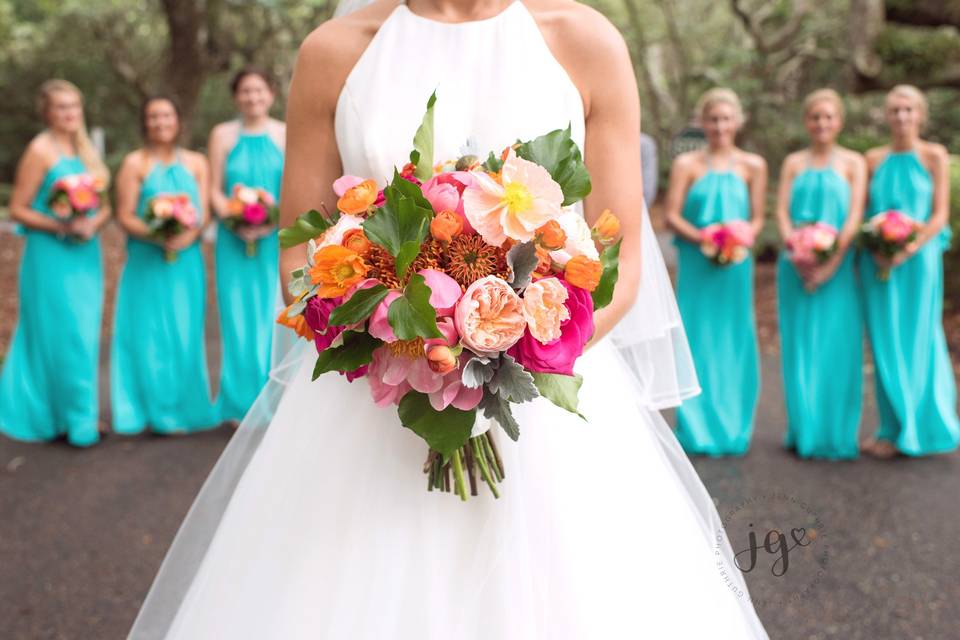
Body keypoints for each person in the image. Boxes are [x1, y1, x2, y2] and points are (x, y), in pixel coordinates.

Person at [129, 2, 768, 638]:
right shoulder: (334, 50)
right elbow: (299, 249)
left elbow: (619, 255)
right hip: (375, 397)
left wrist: (503, 352)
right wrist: (397, 337)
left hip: (545, 405)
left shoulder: (585, 40)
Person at [0, 79, 110, 447]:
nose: (70, 114)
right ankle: (77, 420)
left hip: (85, 255)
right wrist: (61, 225)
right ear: (47, 112)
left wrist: (94, 221)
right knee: (66, 333)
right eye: (62, 108)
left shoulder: (83, 150)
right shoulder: (40, 150)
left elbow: (102, 203)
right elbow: (17, 209)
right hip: (51, 256)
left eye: (75, 106)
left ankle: (75, 411)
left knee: (83, 332)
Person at [860, 85, 960, 458]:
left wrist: (908, 248)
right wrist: (879, 245)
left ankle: (924, 426)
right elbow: (864, 210)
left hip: (919, 261)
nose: (902, 117)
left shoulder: (934, 154)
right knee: (885, 339)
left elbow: (939, 215)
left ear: (920, 114)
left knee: (920, 337)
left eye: (908, 110)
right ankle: (891, 428)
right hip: (878, 260)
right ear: (886, 116)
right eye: (895, 110)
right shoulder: (872, 159)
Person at [665, 88, 766, 456]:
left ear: (737, 122)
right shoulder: (686, 165)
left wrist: (741, 237)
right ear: (702, 123)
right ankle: (696, 427)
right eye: (713, 119)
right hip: (698, 263)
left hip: (736, 266)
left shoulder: (753, 165)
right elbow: (672, 216)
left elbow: (756, 217)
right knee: (698, 339)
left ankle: (735, 424)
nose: (720, 126)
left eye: (726, 119)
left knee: (734, 339)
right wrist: (706, 237)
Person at [111, 96, 217, 435]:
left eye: (166, 115)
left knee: (184, 331)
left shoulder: (197, 163)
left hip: (186, 262)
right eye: (153, 117)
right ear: (145, 123)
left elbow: (202, 213)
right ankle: (153, 409)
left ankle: (185, 405)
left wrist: (188, 237)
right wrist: (156, 234)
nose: (160, 122)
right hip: (147, 260)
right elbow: (125, 215)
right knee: (149, 333)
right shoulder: (134, 164)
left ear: (177, 120)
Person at [775, 89, 867, 459]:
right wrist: (796, 251)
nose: (822, 123)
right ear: (806, 122)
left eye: (828, 116)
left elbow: (854, 216)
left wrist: (830, 263)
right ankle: (804, 431)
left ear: (839, 121)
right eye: (815, 117)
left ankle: (836, 433)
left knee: (837, 346)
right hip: (794, 266)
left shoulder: (854, 163)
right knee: (799, 346)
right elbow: (781, 212)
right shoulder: (793, 162)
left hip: (839, 268)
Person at [208, 68, 286, 423]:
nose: (252, 97)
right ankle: (240, 402)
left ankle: (274, 401)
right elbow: (213, 187)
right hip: (232, 241)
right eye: (245, 91)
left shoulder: (285, 133)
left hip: (274, 239)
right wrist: (234, 218)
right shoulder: (221, 135)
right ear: (236, 96)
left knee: (272, 317)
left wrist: (272, 219)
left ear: (270, 94)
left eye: (259, 90)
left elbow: (293, 187)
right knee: (237, 318)